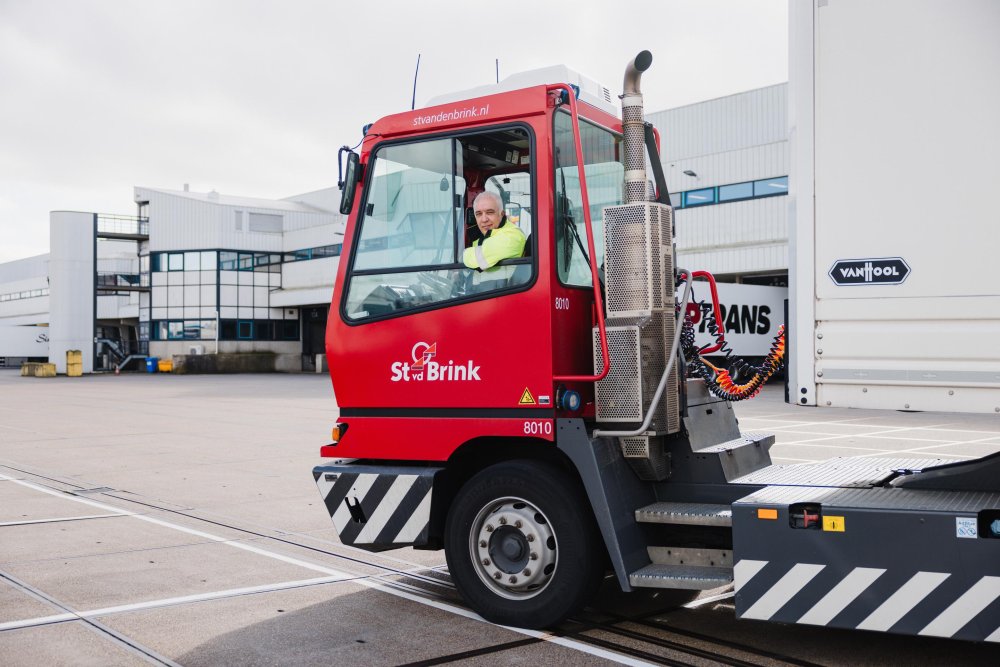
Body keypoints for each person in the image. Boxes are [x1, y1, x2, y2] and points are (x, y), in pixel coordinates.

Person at [463, 191, 526, 272]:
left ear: (502, 214)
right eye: (479, 214)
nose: (484, 219)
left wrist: (464, 254)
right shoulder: (482, 236)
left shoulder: (513, 236)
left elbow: (474, 259)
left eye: (489, 213)